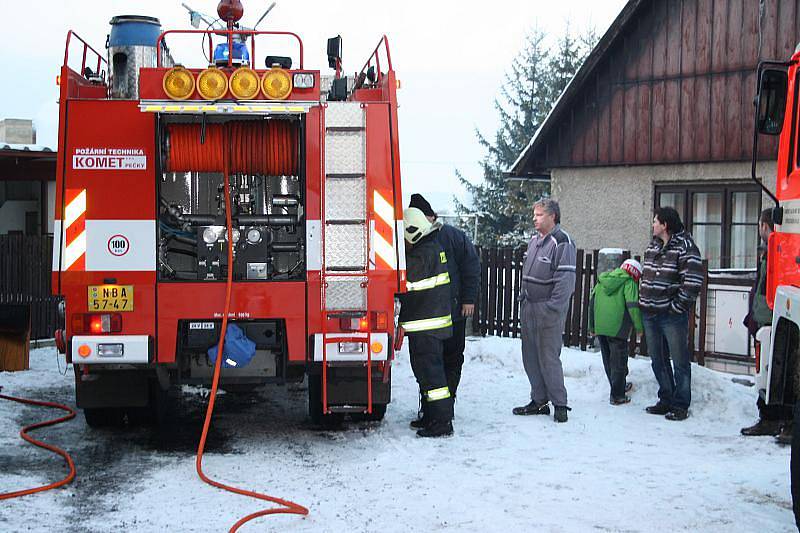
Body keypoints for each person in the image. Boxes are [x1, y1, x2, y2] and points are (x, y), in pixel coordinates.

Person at [407, 194, 480, 427]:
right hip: (432, 312)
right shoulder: (418, 240)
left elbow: (471, 267)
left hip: (455, 310)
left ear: (431, 216)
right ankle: (431, 411)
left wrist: (468, 299)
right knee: (430, 366)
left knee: (449, 360)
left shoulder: (453, 237)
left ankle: (445, 410)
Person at [513, 199, 577, 423]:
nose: (534, 218)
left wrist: (553, 309)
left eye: (539, 214)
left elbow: (565, 281)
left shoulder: (562, 242)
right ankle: (539, 401)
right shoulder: (534, 241)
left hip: (547, 309)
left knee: (549, 357)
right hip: (529, 306)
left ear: (553, 217)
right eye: (534, 214)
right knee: (530, 356)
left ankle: (559, 403)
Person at [639, 206, 703, 421]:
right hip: (649, 312)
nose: (653, 225)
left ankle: (680, 404)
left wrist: (677, 307)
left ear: (665, 225)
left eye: (655, 221)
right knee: (658, 359)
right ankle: (665, 397)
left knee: (679, 361)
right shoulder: (653, 246)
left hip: (671, 315)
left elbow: (692, 282)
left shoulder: (686, 247)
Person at [397, 207, 455, 438]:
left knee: (432, 378)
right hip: (430, 325)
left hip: (427, 326)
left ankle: (441, 423)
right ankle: (432, 417)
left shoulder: (422, 254)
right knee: (428, 376)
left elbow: (406, 284)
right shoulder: (431, 248)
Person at [741, 208, 793, 443]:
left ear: (765, 226)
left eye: (760, 225)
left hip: (773, 318)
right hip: (767, 316)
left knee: (775, 371)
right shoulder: (773, 250)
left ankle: (780, 420)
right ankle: (772, 418)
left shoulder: (779, 250)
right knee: (768, 372)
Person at [589, 258, 644, 405]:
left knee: (608, 360)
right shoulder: (629, 283)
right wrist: (639, 327)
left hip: (601, 327)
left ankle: (617, 387)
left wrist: (592, 326)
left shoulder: (602, 281)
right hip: (617, 328)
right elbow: (632, 306)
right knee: (619, 361)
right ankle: (618, 395)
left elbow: (592, 303)